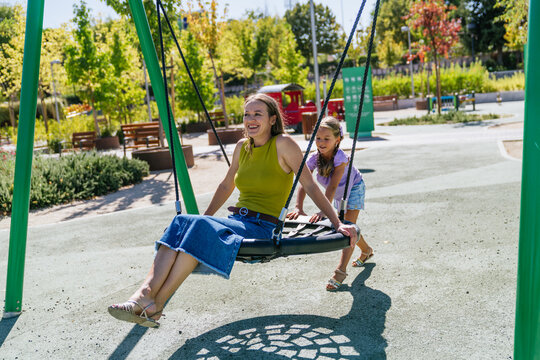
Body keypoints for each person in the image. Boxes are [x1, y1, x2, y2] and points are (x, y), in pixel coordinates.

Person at [108, 94, 358, 328]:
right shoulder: (242, 147)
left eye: (257, 114)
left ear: (272, 119)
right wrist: (202, 217)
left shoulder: (283, 144)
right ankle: (145, 297)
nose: (250, 120)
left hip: (263, 228)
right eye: (247, 114)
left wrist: (337, 223)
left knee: (196, 227)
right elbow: (227, 185)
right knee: (183, 222)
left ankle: (155, 303)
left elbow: (310, 186)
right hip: (238, 219)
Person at [287, 116, 373, 292]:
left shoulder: (340, 158)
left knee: (348, 227)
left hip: (354, 188)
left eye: (327, 139)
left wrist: (322, 210)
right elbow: (304, 182)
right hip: (337, 193)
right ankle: (367, 250)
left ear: (337, 140)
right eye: (318, 138)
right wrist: (298, 207)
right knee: (350, 226)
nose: (321, 142)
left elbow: (333, 186)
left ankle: (340, 271)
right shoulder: (313, 158)